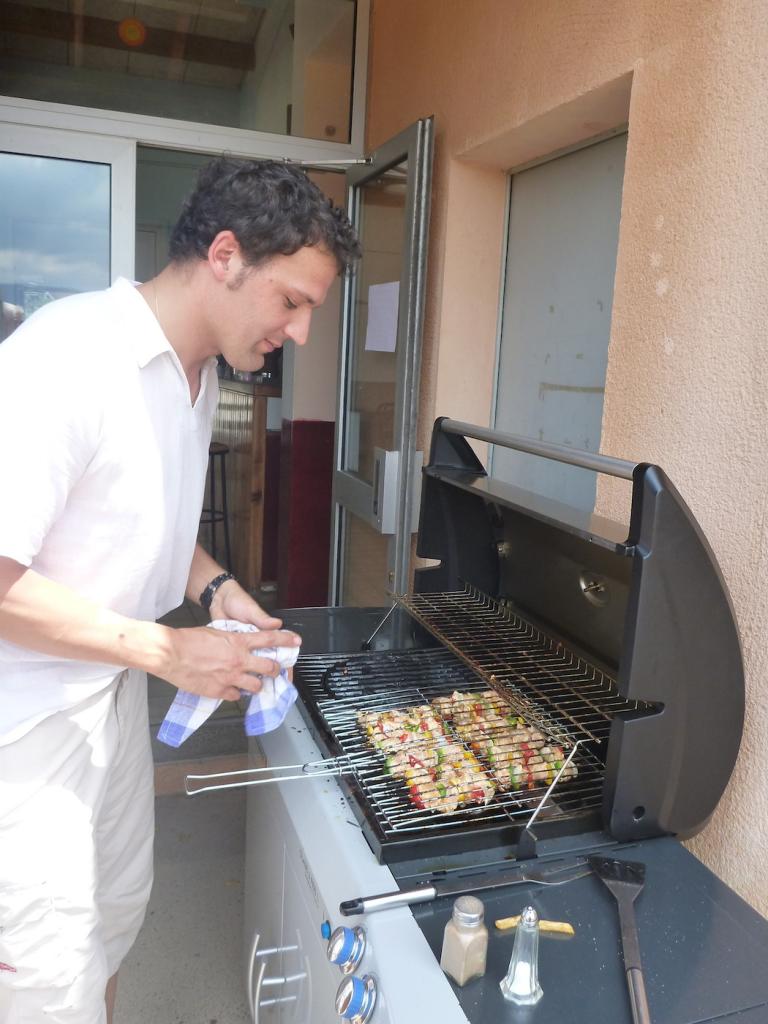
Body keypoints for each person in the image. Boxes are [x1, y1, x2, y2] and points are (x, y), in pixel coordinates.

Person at [0, 158, 361, 1023]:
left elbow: (141, 516)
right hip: (25, 736)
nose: (302, 332)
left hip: (108, 701)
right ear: (226, 256)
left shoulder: (196, 375)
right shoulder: (67, 358)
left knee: (112, 928)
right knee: (47, 984)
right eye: (293, 302)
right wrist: (166, 650)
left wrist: (218, 590)